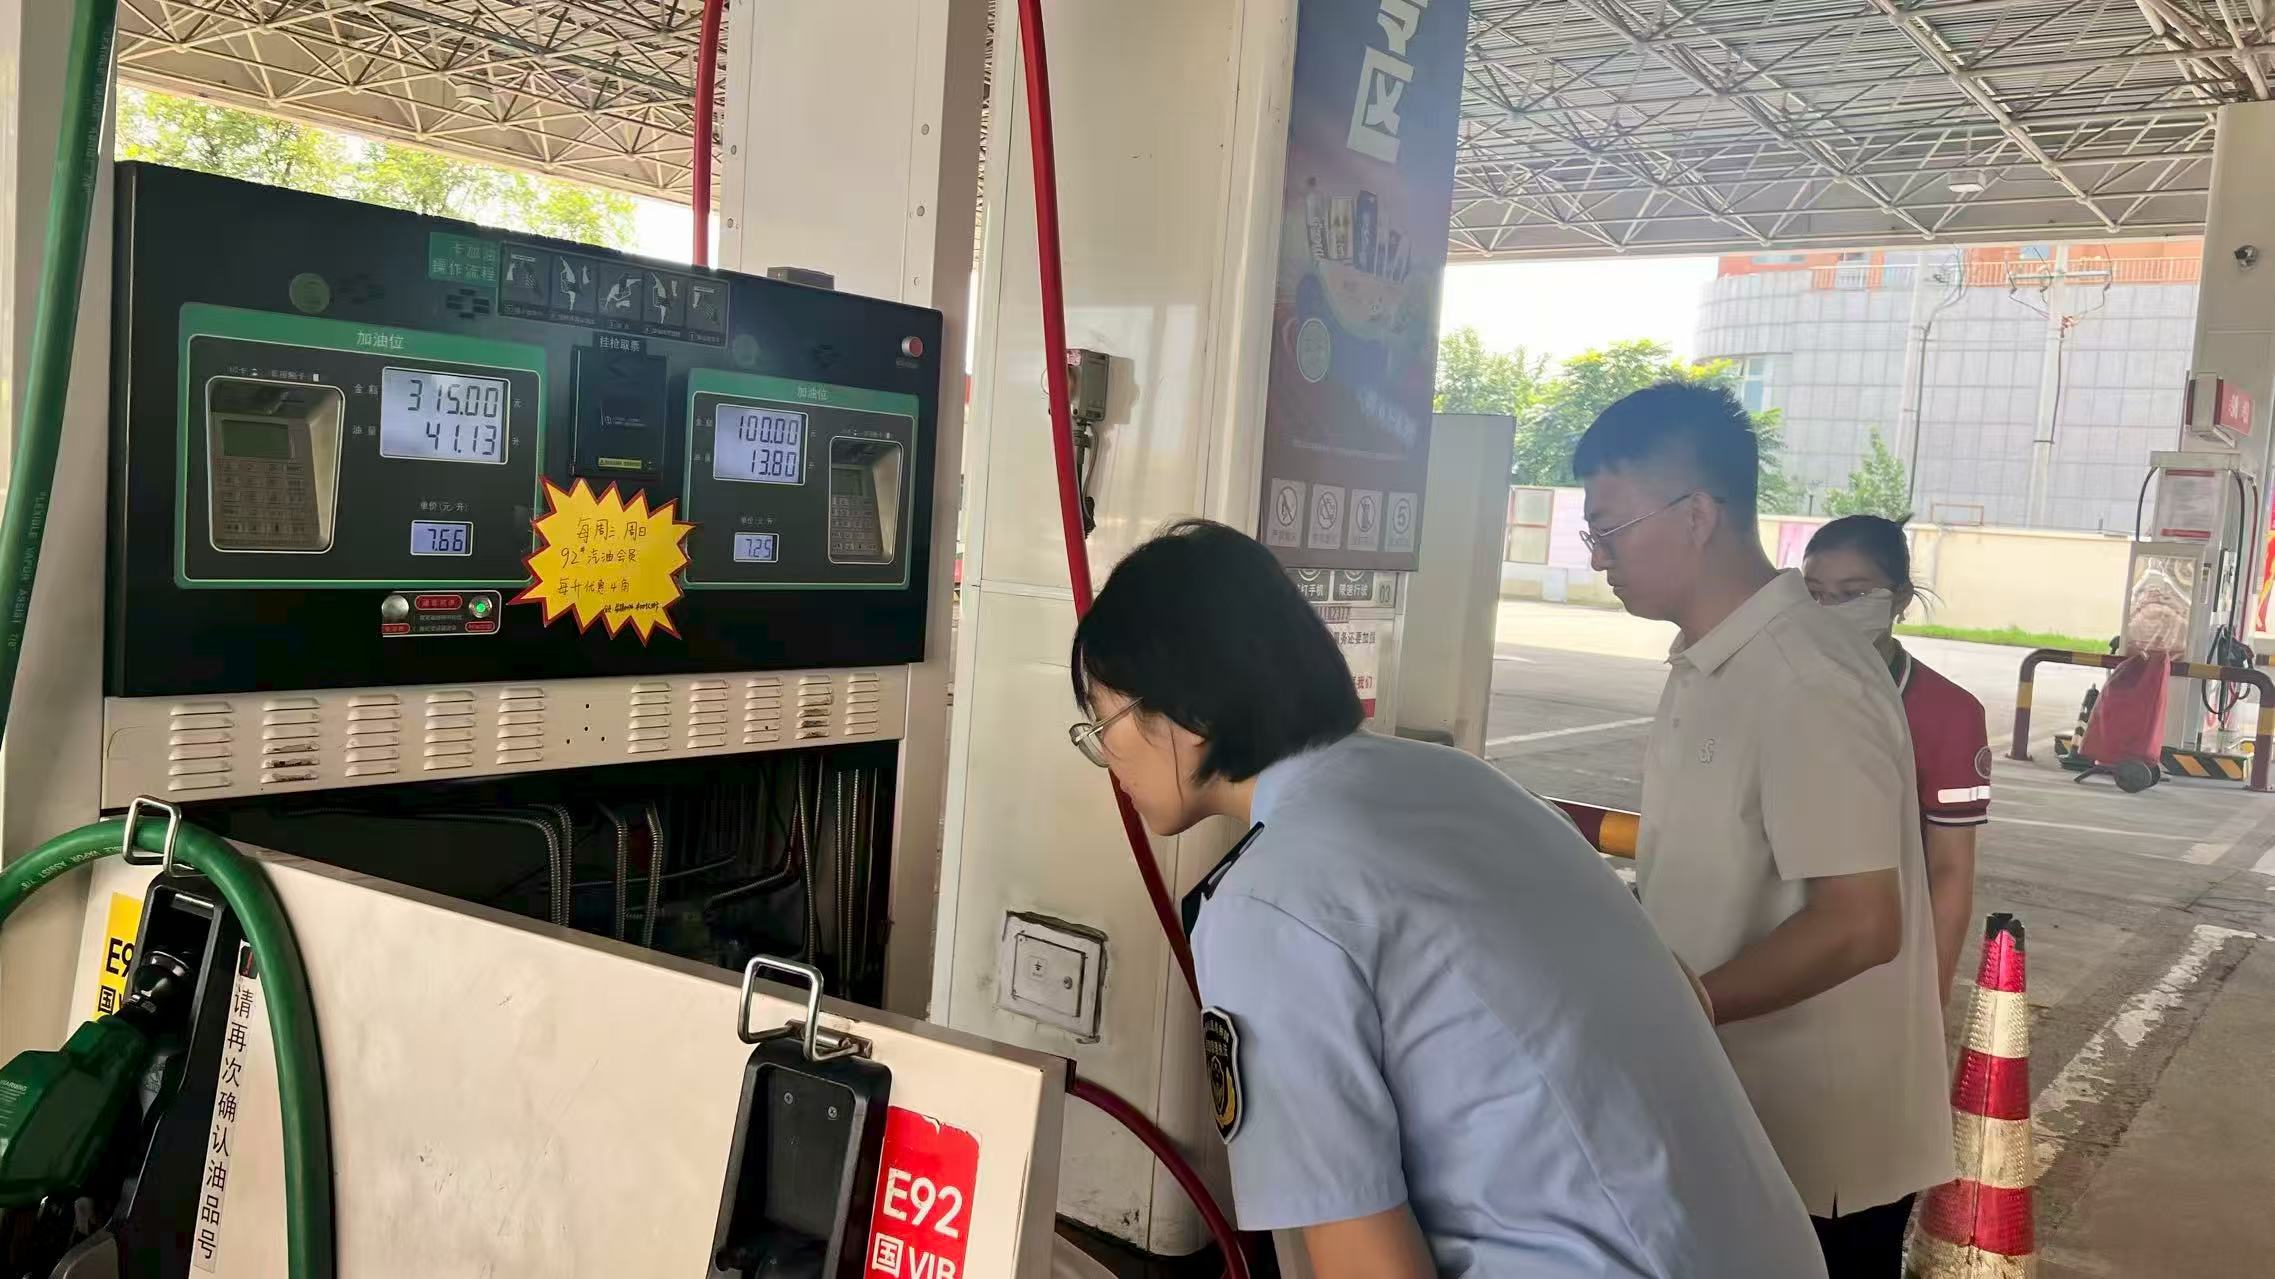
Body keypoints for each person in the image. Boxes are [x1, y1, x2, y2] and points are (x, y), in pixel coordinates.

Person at [1068, 519, 1826, 1279]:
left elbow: (1368, 1266)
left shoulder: (1268, 901)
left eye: (1103, 721)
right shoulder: (1471, 784)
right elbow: (1679, 994)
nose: (1104, 756)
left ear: (1189, 713)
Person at [1572, 384, 1951, 1277]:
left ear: (1695, 514)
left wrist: (1687, 1003)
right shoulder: (1712, 663)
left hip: (1817, 1155)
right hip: (1737, 1115)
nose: (1598, 556)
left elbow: (1861, 921)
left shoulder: (1803, 676)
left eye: (1609, 527)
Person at [1804, 515, 1990, 1001]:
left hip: (1879, 956)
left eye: (1853, 594)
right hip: (1772, 937)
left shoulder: (1949, 713)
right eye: (1814, 593)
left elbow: (1950, 869)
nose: (1830, 610)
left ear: (1900, 599)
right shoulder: (1774, 688)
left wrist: (1932, 991)